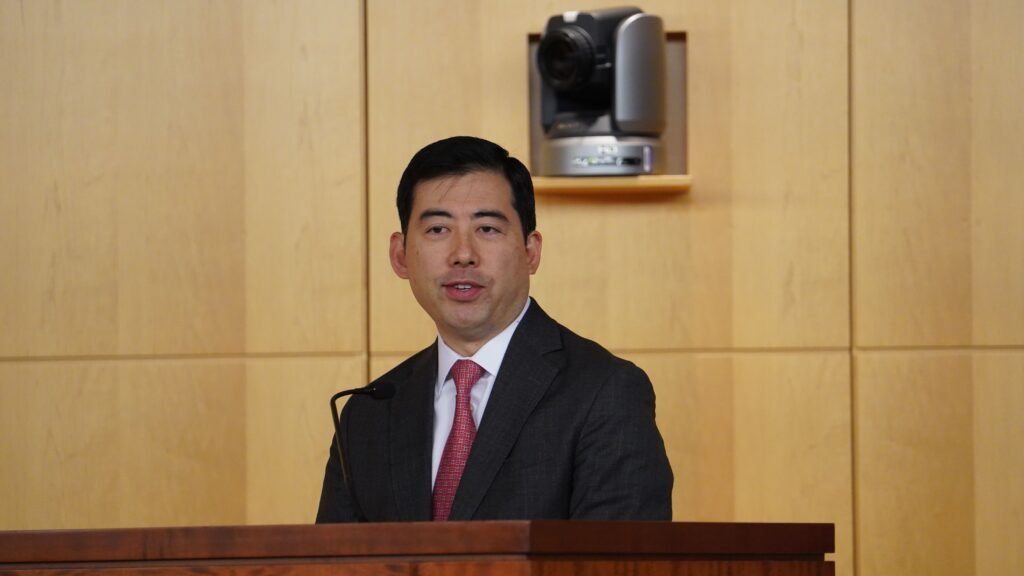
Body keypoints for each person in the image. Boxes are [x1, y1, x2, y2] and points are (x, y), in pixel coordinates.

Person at [316, 136, 673, 522]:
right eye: (437, 229)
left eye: (487, 228)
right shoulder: (367, 416)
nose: (463, 254)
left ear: (531, 252)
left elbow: (619, 554)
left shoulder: (605, 392)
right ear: (400, 255)